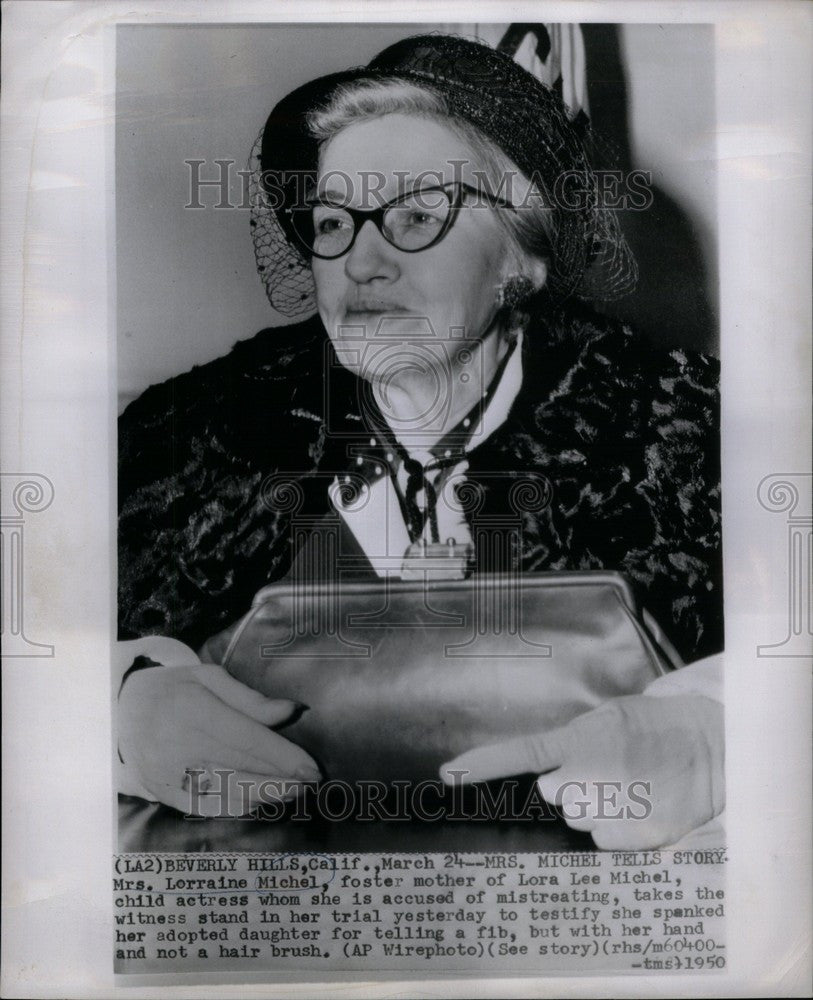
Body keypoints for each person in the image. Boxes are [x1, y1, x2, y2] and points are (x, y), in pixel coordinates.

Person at [117, 33, 724, 847]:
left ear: (522, 257)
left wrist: (723, 737)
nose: (360, 261)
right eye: (333, 221)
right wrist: (117, 710)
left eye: (415, 216)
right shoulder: (188, 436)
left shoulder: (691, 435)